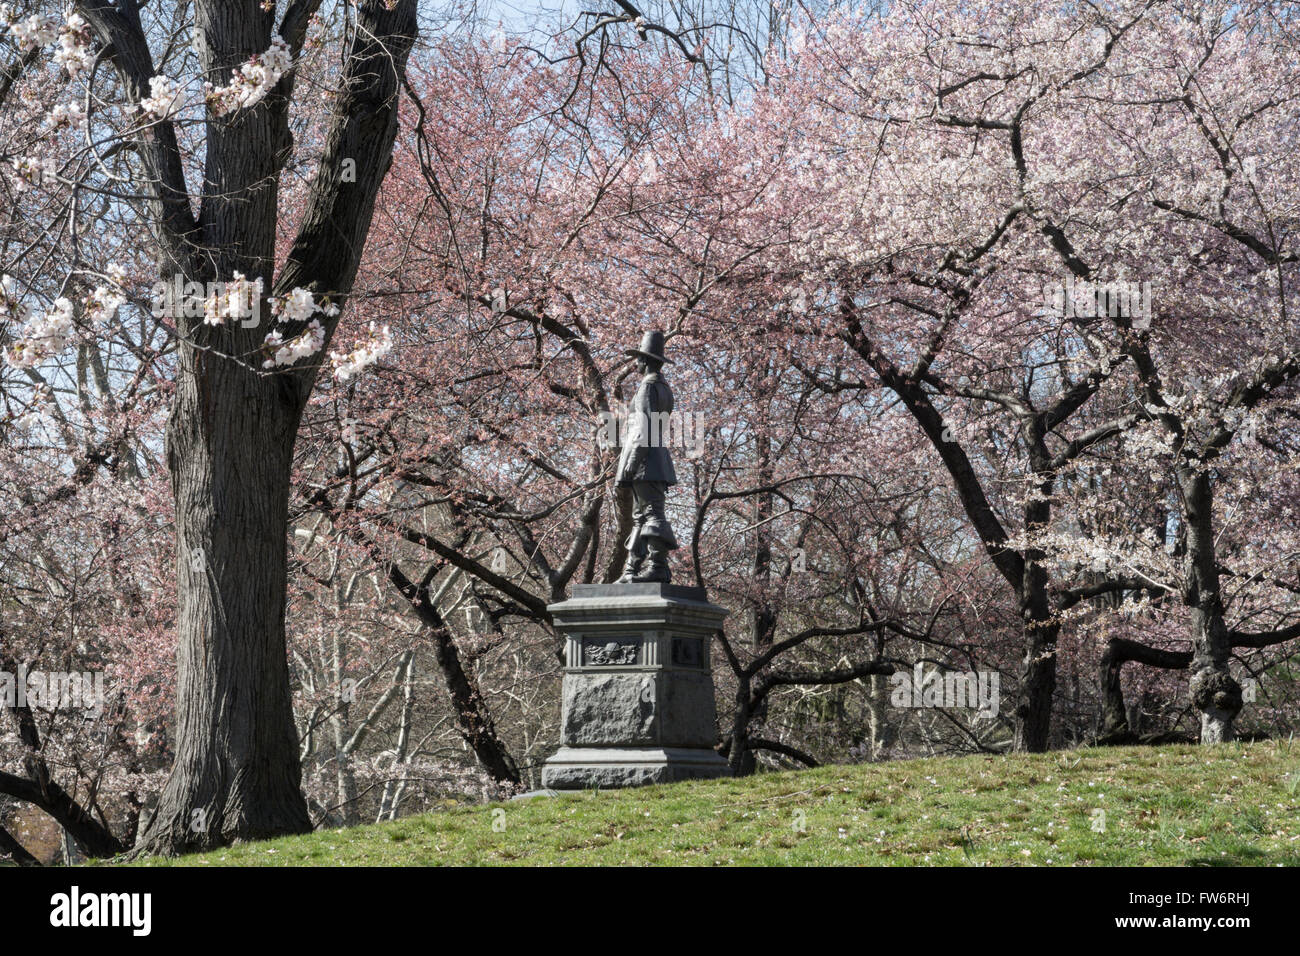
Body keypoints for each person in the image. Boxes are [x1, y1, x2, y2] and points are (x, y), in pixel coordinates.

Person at [616, 330, 678, 583]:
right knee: (641, 517)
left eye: (639, 359)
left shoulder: (646, 387)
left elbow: (643, 428)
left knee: (651, 514)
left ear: (647, 361)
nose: (636, 364)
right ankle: (631, 568)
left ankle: (658, 567)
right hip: (655, 460)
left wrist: (631, 464)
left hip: (645, 461)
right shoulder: (664, 388)